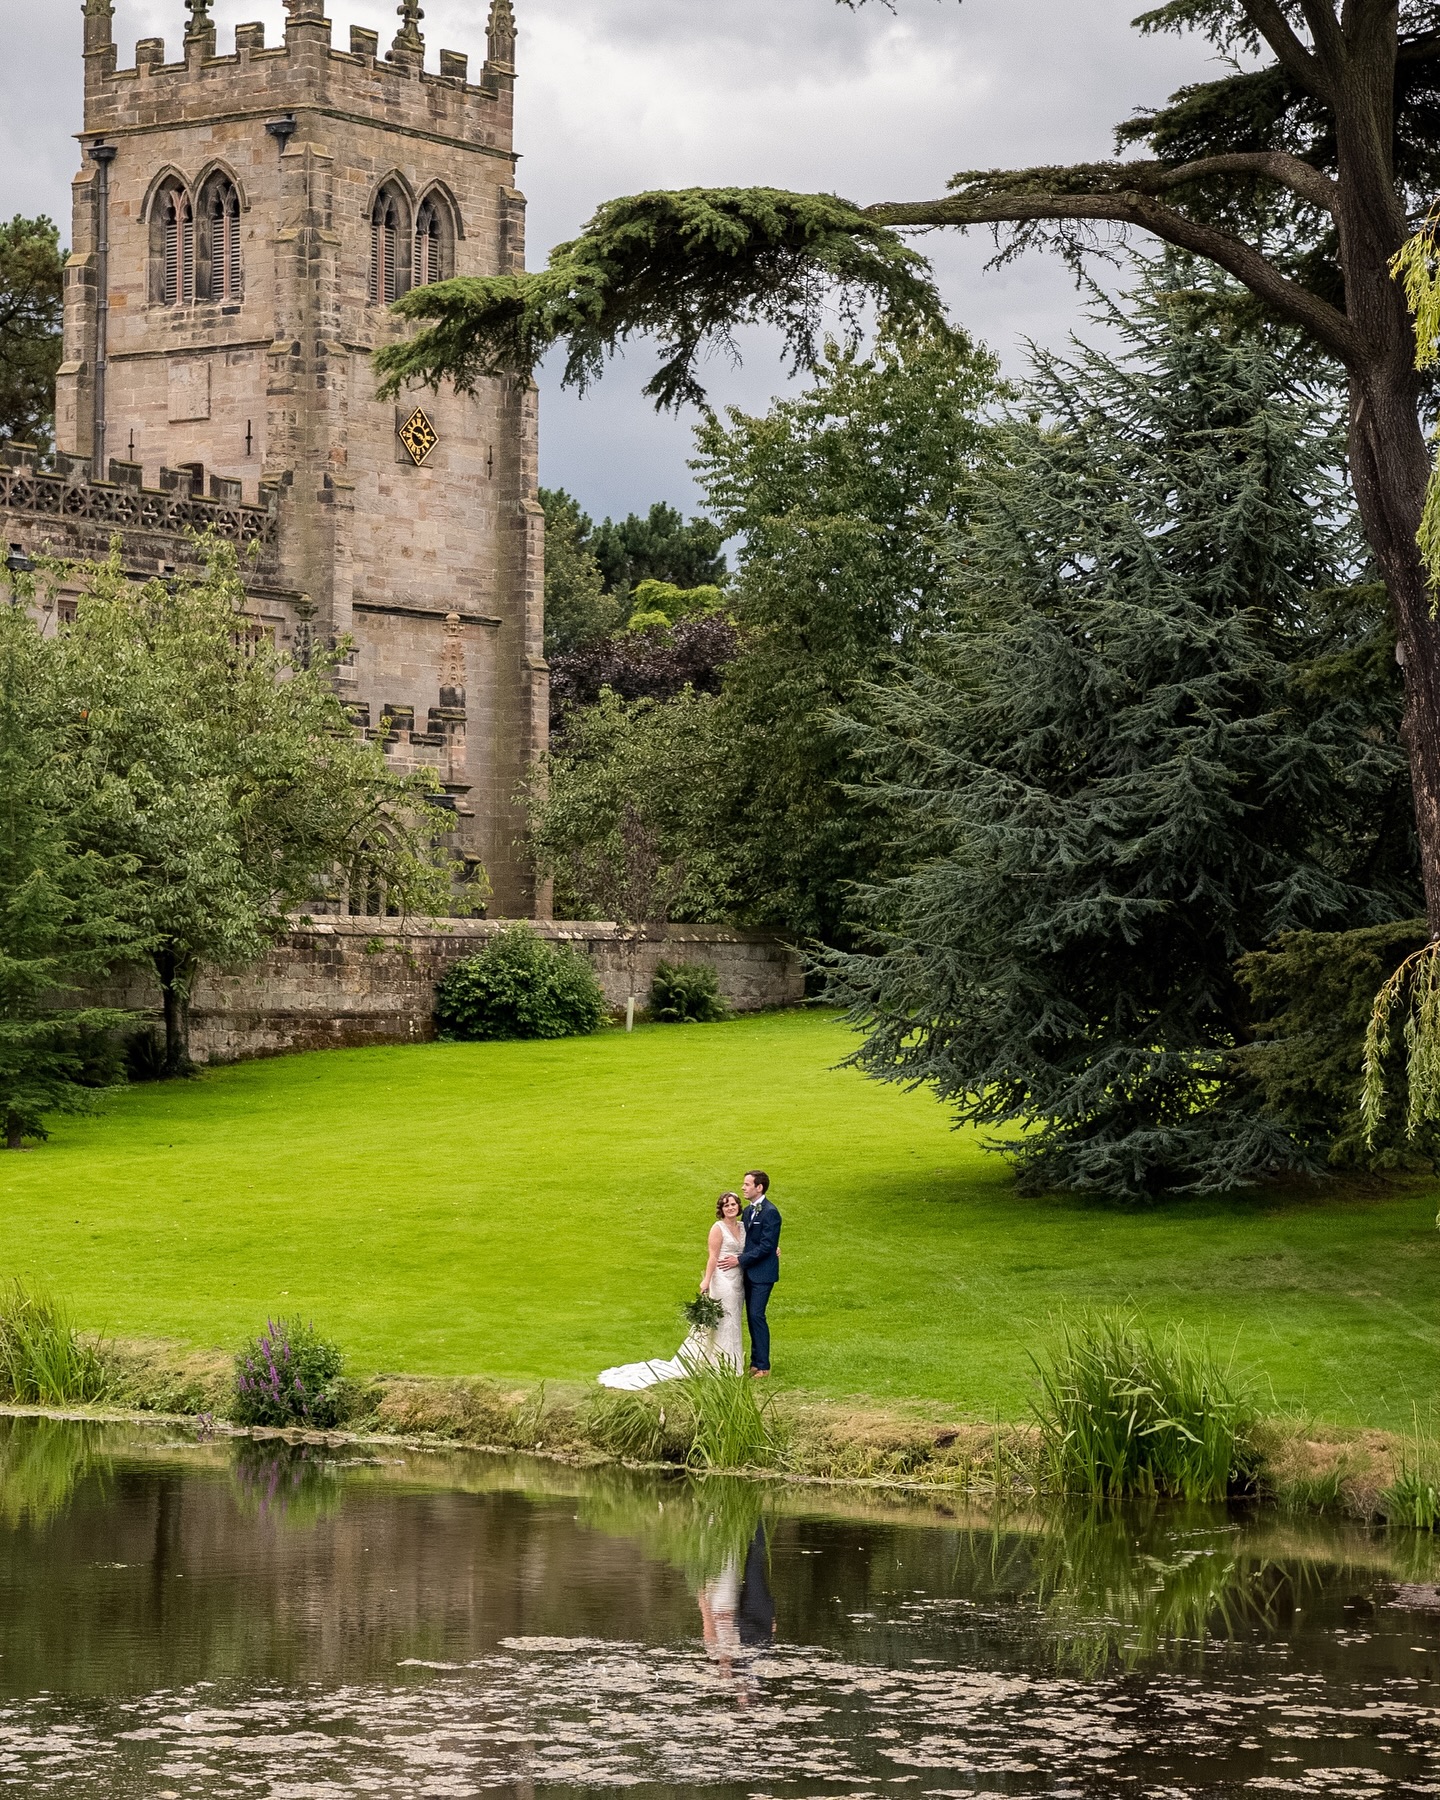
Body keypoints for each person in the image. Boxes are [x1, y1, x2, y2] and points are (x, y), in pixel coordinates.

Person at [597, 1192, 746, 1390]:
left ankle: (731, 1363)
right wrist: (706, 1280)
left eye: (733, 1204)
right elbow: (712, 1256)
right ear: (721, 1209)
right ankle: (720, 1365)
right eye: (726, 1205)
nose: (730, 1208)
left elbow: (753, 1248)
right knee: (723, 1320)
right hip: (722, 1279)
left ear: (738, 1206)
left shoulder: (742, 1227)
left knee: (734, 1319)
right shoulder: (717, 1228)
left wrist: (773, 1251)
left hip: (738, 1280)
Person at [719, 1169, 781, 1377]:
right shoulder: (747, 1212)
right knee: (752, 1317)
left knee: (757, 1315)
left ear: (759, 1187)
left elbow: (766, 1245)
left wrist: (740, 1260)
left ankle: (763, 1366)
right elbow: (749, 1239)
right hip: (748, 1272)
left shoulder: (770, 1212)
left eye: (747, 1184)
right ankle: (756, 1362)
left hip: (763, 1274)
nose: (743, 1188)